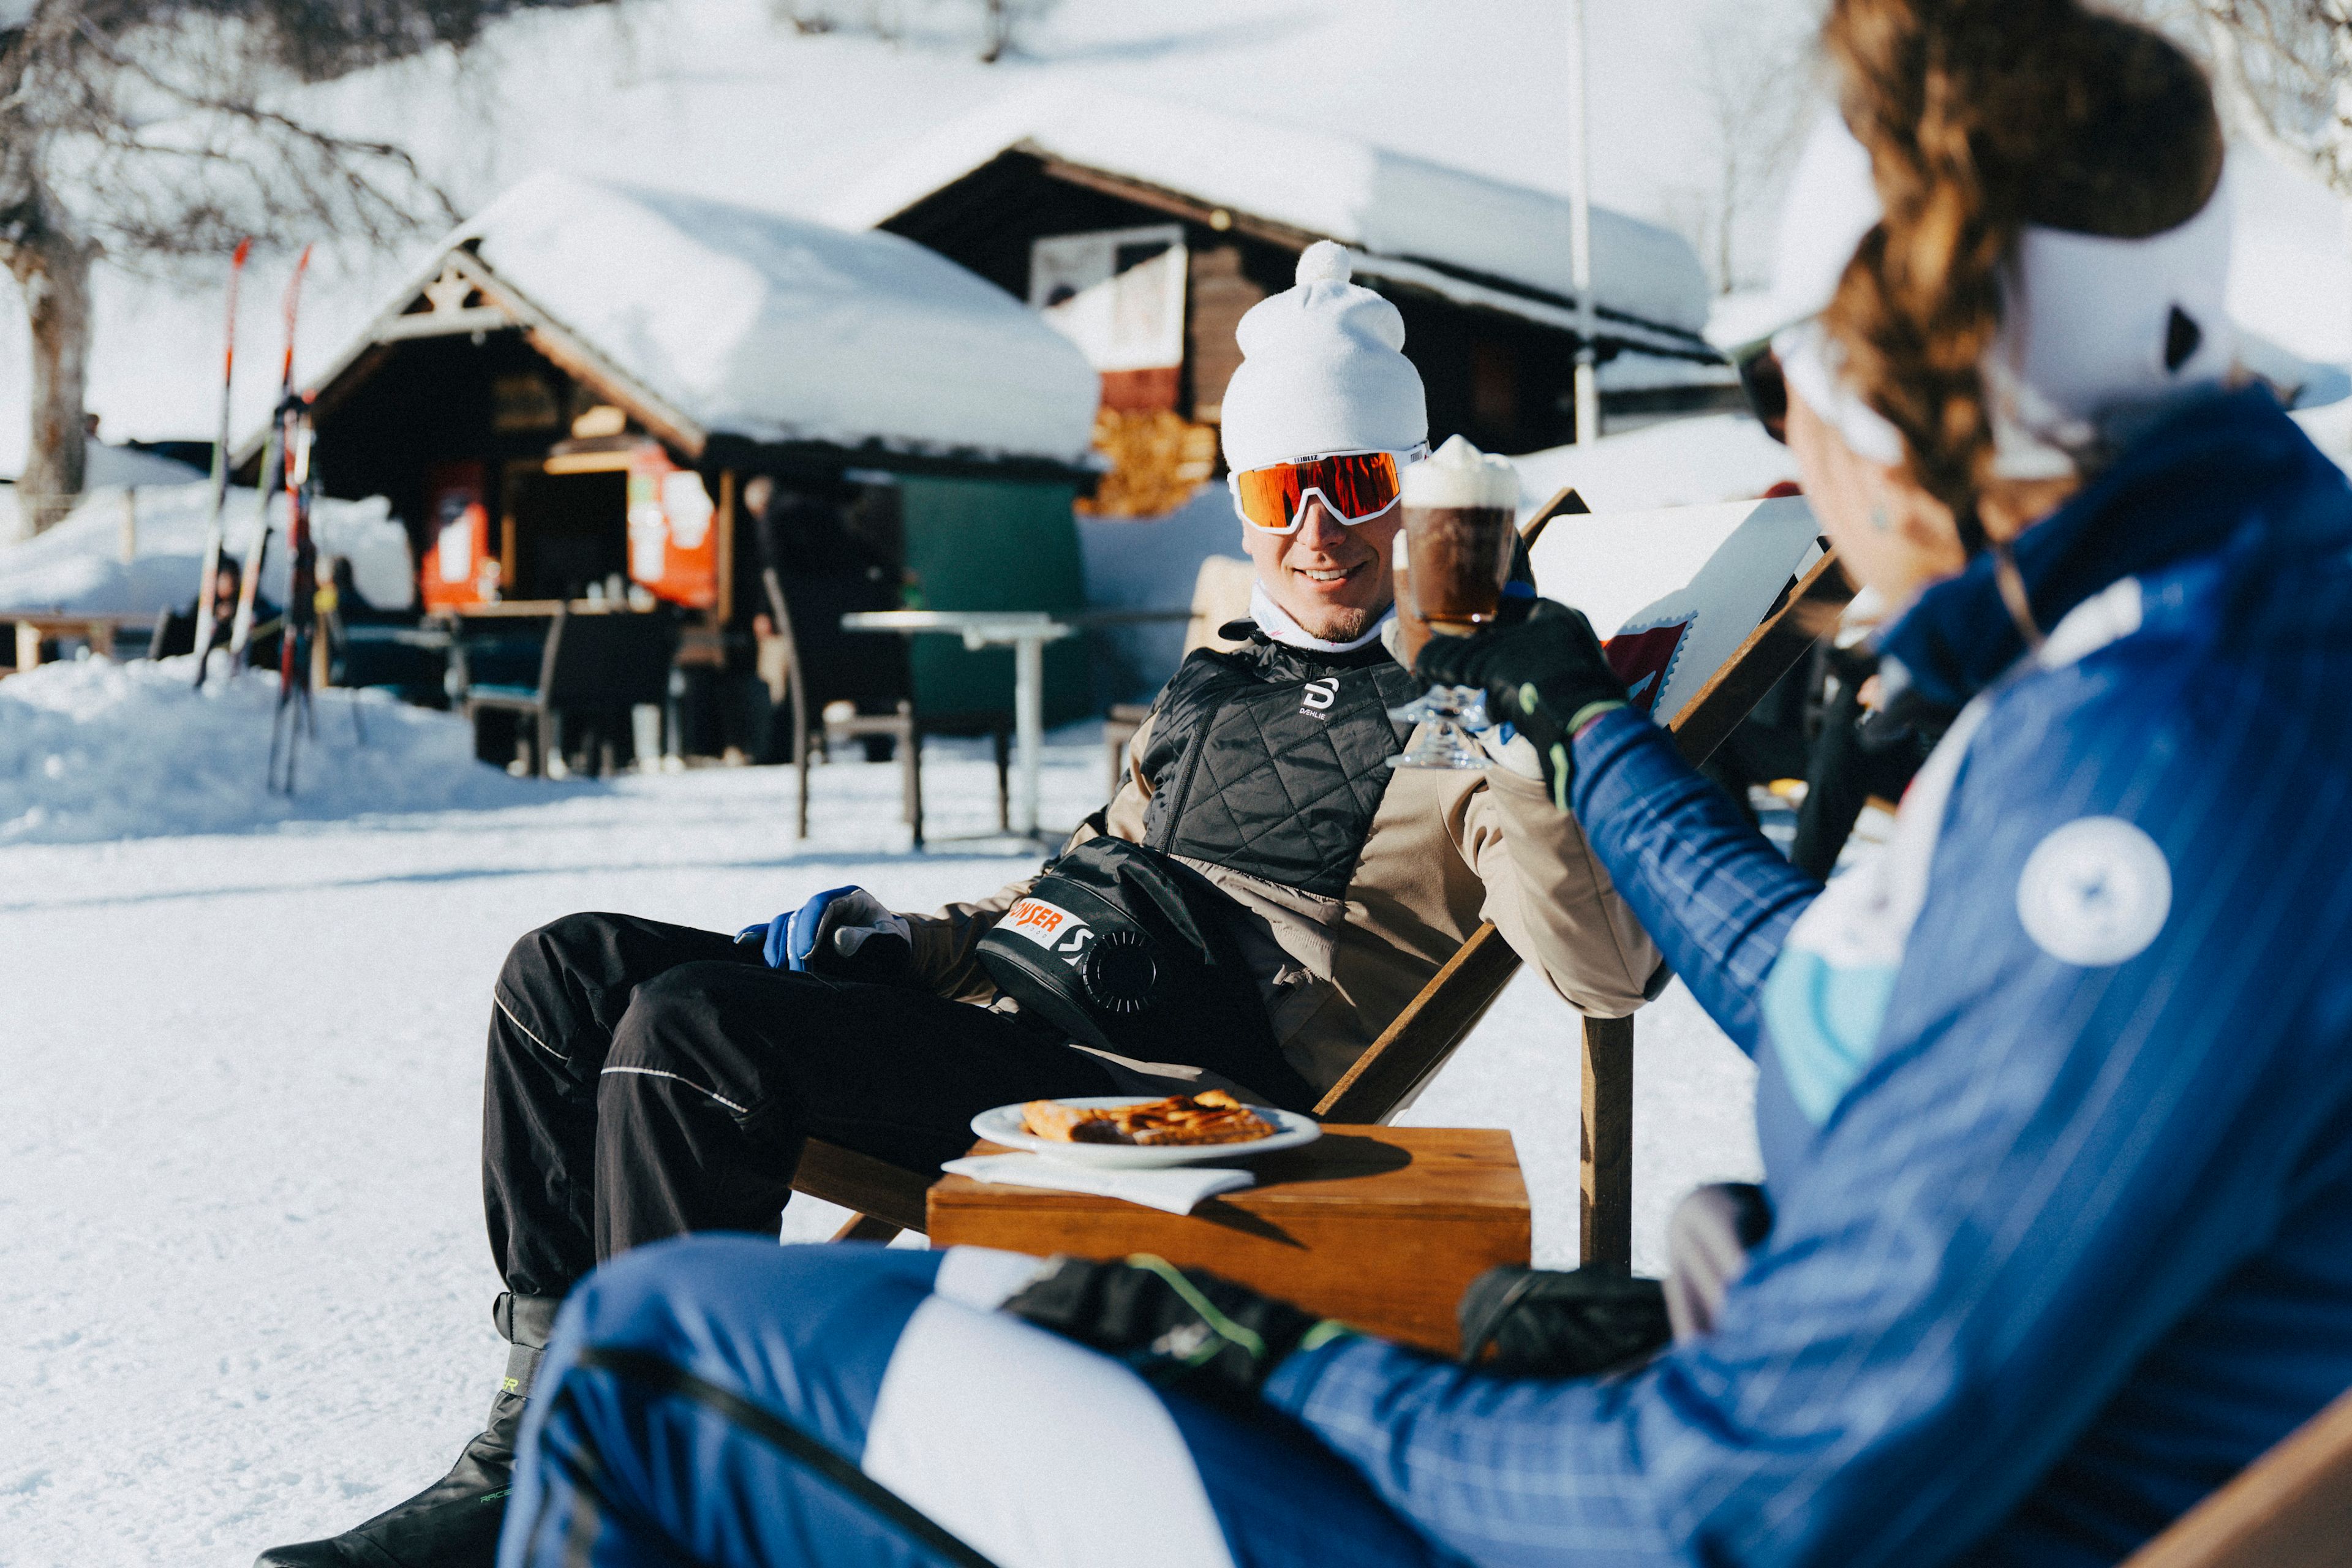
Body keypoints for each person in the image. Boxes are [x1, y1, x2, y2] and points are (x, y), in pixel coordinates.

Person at [489, 4, 2352, 1564]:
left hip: (1622, 1455)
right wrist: (1599, 736)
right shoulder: (2169, 667)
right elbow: (1833, 1008)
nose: (1799, 448)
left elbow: (1731, 1495)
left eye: (1788, 385)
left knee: (661, 1352)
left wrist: (1279, 1360)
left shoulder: (2155, 776)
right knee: (613, 1022)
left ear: (1922, 396)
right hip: (1792, 1410)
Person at [254, 241, 1659, 1568]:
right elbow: (1089, 869)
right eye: (1280, 485)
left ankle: (667, 1494)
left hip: (1158, 1090)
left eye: (1352, 481)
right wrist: (910, 936)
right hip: (1015, 1001)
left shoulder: (1471, 714)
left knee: (694, 1037)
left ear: (1405, 485)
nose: (1317, 530)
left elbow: (1607, 968)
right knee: (564, 975)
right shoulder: (1215, 670)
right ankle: (531, 1436)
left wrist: (1531, 724)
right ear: (1241, 496)